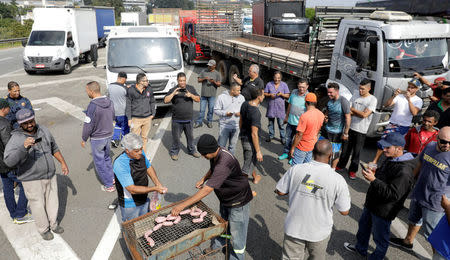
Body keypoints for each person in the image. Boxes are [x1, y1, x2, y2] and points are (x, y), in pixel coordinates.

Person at [171, 134, 253, 260]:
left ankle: (235, 257)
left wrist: (182, 205)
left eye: (204, 155)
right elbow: (213, 169)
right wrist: (203, 178)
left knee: (238, 237)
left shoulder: (224, 162)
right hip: (226, 199)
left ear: (211, 151)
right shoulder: (216, 152)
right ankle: (218, 246)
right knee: (222, 225)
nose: (203, 157)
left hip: (238, 202)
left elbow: (207, 190)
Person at [344, 132, 416, 259]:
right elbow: (385, 178)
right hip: (372, 204)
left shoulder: (404, 171)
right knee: (363, 229)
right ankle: (360, 249)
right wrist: (374, 172)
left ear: (399, 149)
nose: (384, 149)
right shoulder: (392, 158)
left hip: (383, 211)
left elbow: (393, 195)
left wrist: (373, 180)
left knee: (380, 239)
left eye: (388, 147)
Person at [276, 140, 351, 260]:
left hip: (294, 227)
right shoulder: (338, 180)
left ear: (312, 152)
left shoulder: (296, 169)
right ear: (331, 156)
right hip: (319, 232)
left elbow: (280, 191)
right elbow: (344, 211)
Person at [4, 108, 69, 241]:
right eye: (25, 123)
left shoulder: (44, 130)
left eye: (31, 121)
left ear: (34, 118)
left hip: (49, 175)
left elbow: (54, 147)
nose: (29, 125)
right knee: (37, 205)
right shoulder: (16, 138)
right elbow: (9, 161)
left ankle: (54, 224)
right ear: (19, 124)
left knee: (53, 201)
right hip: (31, 179)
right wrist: (24, 147)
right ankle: (43, 229)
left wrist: (62, 162)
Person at [389, 127, 450, 258]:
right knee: (413, 219)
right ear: (437, 138)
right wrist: (409, 183)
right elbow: (420, 164)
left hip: (436, 202)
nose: (447, 145)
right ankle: (407, 241)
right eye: (444, 142)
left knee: (433, 234)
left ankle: (437, 256)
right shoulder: (430, 146)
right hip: (419, 192)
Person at [113, 133, 167, 222]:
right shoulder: (120, 164)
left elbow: (148, 166)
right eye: (137, 151)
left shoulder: (140, 154)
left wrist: (158, 183)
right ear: (127, 150)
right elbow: (132, 189)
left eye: (141, 149)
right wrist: (154, 188)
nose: (141, 152)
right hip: (130, 204)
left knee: (146, 222)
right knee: (132, 229)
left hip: (144, 197)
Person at [371, 78, 423, 164]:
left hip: (404, 126)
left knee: (396, 146)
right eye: (409, 86)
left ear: (417, 89)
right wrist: (394, 95)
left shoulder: (418, 100)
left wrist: (409, 99)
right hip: (392, 124)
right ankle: (375, 160)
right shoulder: (399, 96)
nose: (409, 89)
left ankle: (391, 162)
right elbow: (386, 105)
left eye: (412, 87)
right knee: (383, 142)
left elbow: (414, 112)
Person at [337, 79, 377, 179]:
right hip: (350, 127)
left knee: (356, 153)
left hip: (361, 131)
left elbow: (365, 115)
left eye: (363, 89)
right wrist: (358, 112)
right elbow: (347, 110)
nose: (360, 91)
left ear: (369, 88)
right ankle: (341, 166)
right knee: (345, 150)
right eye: (359, 88)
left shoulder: (372, 100)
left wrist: (353, 110)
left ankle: (352, 171)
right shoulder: (355, 95)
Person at [0, 99, 32, 224]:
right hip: (9, 163)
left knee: (8, 188)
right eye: (8, 108)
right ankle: (21, 213)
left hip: (0, 165)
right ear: (3, 109)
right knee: (26, 185)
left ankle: (13, 213)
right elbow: (10, 146)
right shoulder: (4, 124)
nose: (10, 110)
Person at [81, 81, 116, 192]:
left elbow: (88, 125)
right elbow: (113, 116)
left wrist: (84, 138)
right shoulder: (109, 102)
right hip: (109, 135)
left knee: (99, 162)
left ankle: (109, 184)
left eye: (87, 91)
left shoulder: (92, 106)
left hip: (97, 138)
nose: (87, 93)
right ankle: (112, 177)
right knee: (106, 158)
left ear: (91, 91)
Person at [164, 72, 201, 161]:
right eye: (180, 81)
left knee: (190, 137)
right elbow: (165, 100)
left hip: (189, 119)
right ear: (177, 81)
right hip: (177, 120)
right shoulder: (173, 89)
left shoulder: (190, 88)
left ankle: (192, 150)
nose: (182, 82)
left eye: (184, 80)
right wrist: (173, 94)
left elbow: (198, 99)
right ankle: (174, 152)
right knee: (176, 138)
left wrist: (191, 95)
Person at [290, 93, 325, 165]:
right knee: (306, 167)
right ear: (315, 102)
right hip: (312, 145)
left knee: (296, 168)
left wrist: (293, 148)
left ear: (306, 102)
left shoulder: (305, 116)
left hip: (302, 147)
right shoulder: (321, 114)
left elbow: (299, 134)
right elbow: (318, 130)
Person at [126, 73, 156, 153]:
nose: (147, 82)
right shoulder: (131, 90)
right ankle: (134, 157)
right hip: (135, 119)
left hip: (147, 118)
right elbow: (128, 105)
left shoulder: (149, 89)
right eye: (146, 80)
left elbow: (152, 101)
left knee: (144, 138)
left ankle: (143, 156)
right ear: (140, 82)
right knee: (134, 139)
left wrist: (153, 113)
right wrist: (129, 119)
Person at [240, 87, 264, 184]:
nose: (264, 96)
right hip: (250, 142)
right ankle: (241, 189)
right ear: (258, 97)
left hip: (243, 137)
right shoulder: (256, 112)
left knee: (249, 160)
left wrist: (241, 132)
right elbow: (254, 133)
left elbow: (240, 119)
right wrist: (258, 151)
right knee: (246, 167)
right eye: (263, 95)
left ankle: (255, 177)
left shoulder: (245, 104)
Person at [279, 79, 308, 161]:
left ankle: (293, 156)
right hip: (290, 121)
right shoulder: (294, 92)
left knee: (297, 140)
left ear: (307, 87)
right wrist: (286, 116)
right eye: (300, 87)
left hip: (300, 124)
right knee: (288, 138)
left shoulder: (308, 96)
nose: (301, 89)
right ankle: (286, 152)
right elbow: (290, 105)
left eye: (303, 87)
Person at [323, 83, 351, 168]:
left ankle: (333, 170)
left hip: (337, 132)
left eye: (331, 92)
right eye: (328, 92)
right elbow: (327, 113)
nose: (329, 94)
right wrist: (326, 118)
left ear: (337, 91)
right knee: (324, 151)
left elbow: (348, 118)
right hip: (327, 129)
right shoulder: (329, 101)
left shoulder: (343, 101)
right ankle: (325, 168)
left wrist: (345, 133)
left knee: (335, 153)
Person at [214, 83, 245, 155]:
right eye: (238, 90)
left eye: (240, 90)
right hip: (225, 126)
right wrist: (225, 113)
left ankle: (230, 162)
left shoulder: (242, 98)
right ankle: (220, 162)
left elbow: (244, 110)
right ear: (232, 90)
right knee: (221, 147)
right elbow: (215, 110)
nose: (240, 92)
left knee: (232, 147)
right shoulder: (221, 97)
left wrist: (240, 113)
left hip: (236, 127)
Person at [264, 71, 290, 143]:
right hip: (271, 107)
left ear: (281, 78)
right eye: (275, 78)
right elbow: (265, 93)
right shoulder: (269, 84)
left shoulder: (284, 85)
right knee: (270, 123)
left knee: (281, 125)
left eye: (278, 78)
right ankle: (271, 135)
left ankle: (283, 138)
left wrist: (282, 94)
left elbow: (288, 96)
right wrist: (269, 95)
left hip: (280, 108)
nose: (277, 79)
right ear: (273, 77)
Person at [195, 59, 221, 128]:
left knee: (211, 110)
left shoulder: (217, 74)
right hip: (204, 94)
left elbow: (219, 84)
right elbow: (198, 80)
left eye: (210, 66)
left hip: (212, 95)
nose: (209, 67)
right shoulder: (204, 71)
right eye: (208, 65)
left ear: (214, 66)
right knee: (202, 110)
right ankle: (199, 122)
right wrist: (204, 78)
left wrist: (214, 82)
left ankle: (209, 121)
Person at [107, 71, 129, 147]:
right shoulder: (124, 88)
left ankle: (115, 139)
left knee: (118, 125)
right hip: (122, 112)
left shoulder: (110, 86)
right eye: (125, 80)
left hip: (113, 112)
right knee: (125, 128)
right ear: (123, 78)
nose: (125, 81)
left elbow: (108, 98)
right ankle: (124, 144)